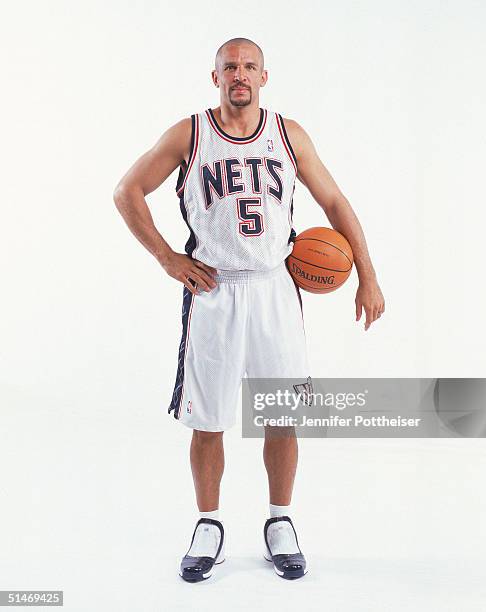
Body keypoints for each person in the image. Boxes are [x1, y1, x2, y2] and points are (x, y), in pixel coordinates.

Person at [113, 37, 385, 582]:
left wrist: (368, 275)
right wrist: (168, 258)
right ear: (214, 77)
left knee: (282, 416)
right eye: (229, 67)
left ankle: (279, 522)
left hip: (275, 289)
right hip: (213, 291)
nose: (239, 74)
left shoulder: (289, 135)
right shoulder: (189, 134)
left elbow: (334, 202)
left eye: (249, 67)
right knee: (207, 418)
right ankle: (208, 524)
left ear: (264, 76)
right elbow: (127, 191)